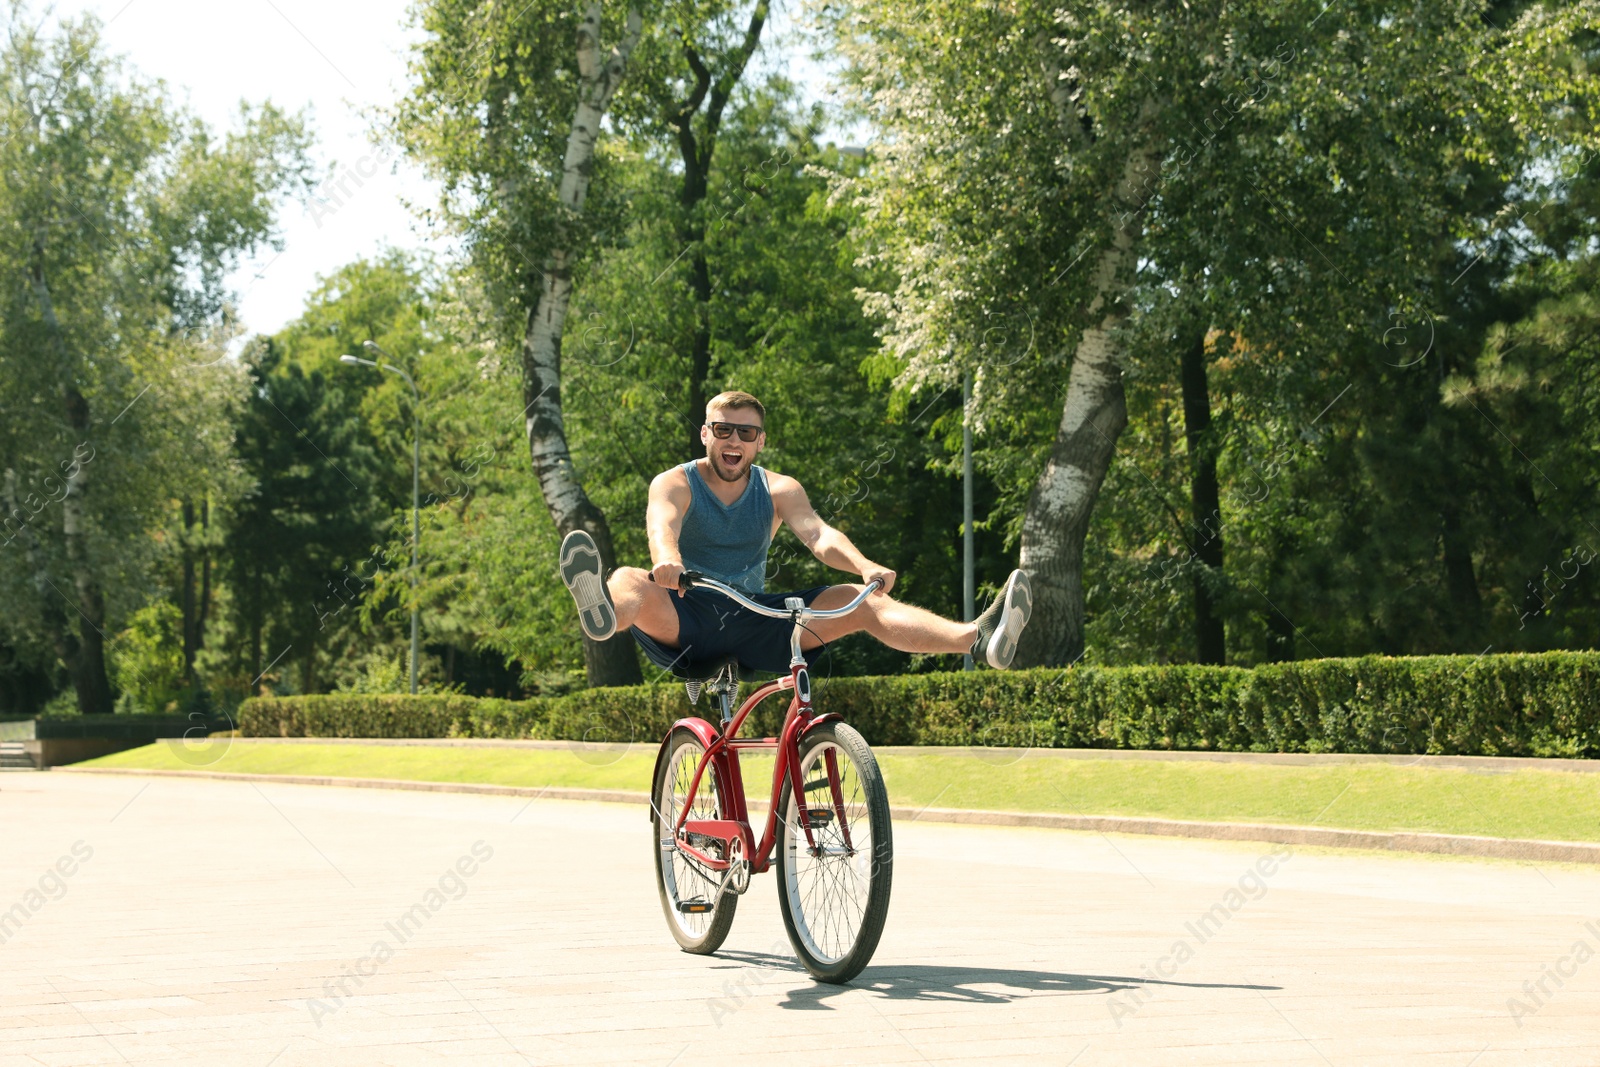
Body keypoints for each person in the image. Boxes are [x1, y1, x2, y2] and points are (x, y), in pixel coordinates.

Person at [558, 390, 1032, 676]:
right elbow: (662, 525)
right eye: (724, 430)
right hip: (688, 613)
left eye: (747, 434)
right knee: (626, 577)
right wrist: (668, 561)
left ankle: (976, 639)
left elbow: (819, 536)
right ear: (706, 434)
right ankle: (604, 614)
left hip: (756, 616)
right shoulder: (675, 481)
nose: (734, 442)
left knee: (862, 601)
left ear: (760, 442)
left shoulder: (778, 489)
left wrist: (864, 565)